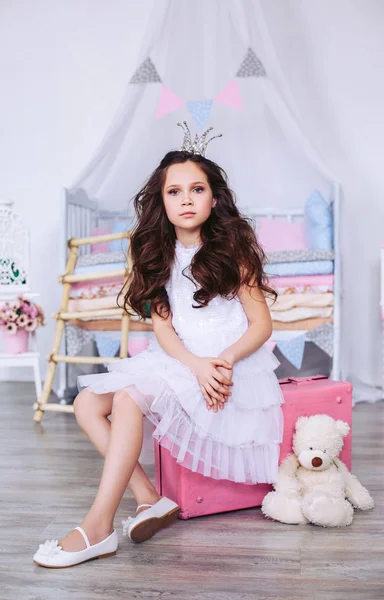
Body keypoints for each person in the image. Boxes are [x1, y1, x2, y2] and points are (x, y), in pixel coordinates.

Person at [33, 122, 284, 569]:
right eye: (174, 191)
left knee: (129, 398)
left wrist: (219, 362)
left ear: (214, 197)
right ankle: (149, 498)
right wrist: (192, 364)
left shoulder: (233, 250)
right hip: (180, 359)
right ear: (161, 201)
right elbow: (164, 330)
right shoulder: (155, 252)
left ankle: (98, 527)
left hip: (230, 364)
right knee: (87, 405)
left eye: (197, 189)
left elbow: (261, 324)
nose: (186, 199)